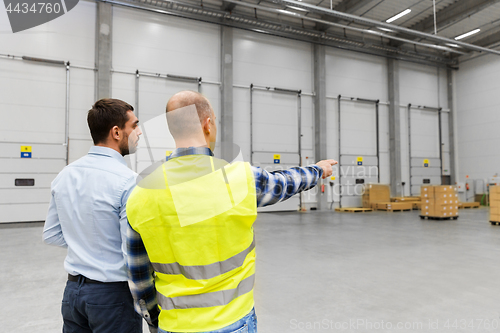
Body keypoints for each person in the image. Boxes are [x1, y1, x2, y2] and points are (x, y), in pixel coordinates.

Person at [126, 91, 336, 333]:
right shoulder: (241, 179)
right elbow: (285, 182)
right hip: (234, 321)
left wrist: (155, 321)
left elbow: (139, 278)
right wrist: (318, 170)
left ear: (173, 130)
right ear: (208, 124)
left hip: (174, 325)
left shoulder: (140, 194)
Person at [43, 98, 144, 333]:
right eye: (135, 125)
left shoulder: (65, 175)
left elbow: (51, 234)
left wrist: (85, 242)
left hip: (73, 296)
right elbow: (133, 248)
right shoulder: (129, 182)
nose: (139, 132)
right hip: (113, 297)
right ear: (117, 132)